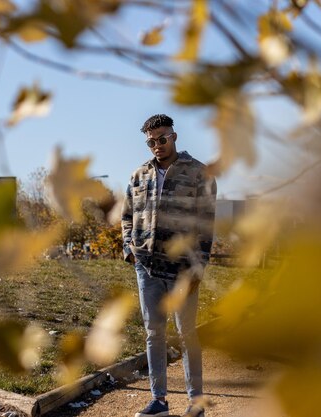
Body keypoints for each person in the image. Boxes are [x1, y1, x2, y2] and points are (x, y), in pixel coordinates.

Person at [121, 114, 217, 417]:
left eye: (162, 139)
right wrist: (130, 249)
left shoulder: (199, 174)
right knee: (154, 333)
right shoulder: (138, 175)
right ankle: (159, 401)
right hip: (147, 267)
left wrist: (199, 266)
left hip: (182, 269)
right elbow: (126, 216)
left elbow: (207, 224)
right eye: (151, 141)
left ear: (174, 136)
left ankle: (196, 402)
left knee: (186, 333)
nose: (157, 145)